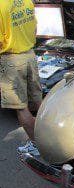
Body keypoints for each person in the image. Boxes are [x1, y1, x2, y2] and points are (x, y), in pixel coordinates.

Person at [0, 0, 42, 155]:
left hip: (11, 59)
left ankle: (37, 145)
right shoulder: (27, 2)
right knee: (38, 101)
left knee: (20, 107)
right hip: (30, 55)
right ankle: (50, 137)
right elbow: (35, 28)